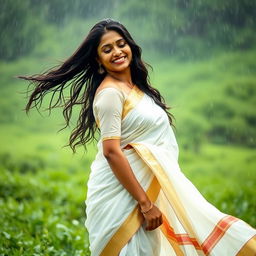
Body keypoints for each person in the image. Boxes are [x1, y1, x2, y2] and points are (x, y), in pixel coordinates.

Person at [18, 18, 256, 256]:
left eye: (121, 44)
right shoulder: (110, 93)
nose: (117, 52)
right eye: (107, 49)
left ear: (130, 46)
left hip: (141, 191)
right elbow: (111, 151)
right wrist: (145, 203)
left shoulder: (136, 89)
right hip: (123, 197)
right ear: (98, 60)